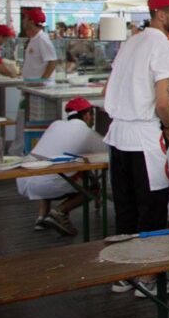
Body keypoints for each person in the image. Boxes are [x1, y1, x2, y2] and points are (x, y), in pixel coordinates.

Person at [103, 0, 169, 298]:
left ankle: (125, 274)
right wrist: (168, 127)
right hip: (143, 136)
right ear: (160, 13)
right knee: (152, 209)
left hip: (118, 135)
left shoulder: (131, 42)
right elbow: (162, 100)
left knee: (125, 209)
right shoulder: (163, 47)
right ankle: (148, 277)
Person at [19, 97, 106, 234]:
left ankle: (42, 217)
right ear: (87, 115)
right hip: (47, 181)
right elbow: (108, 151)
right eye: (92, 115)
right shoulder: (87, 133)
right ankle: (59, 212)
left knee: (49, 166)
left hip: (25, 177)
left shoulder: (56, 124)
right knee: (93, 189)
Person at [21, 8, 58, 82]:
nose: (23, 21)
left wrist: (42, 81)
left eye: (25, 18)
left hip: (39, 86)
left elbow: (52, 62)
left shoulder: (42, 39)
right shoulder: (33, 39)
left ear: (31, 21)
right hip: (32, 83)